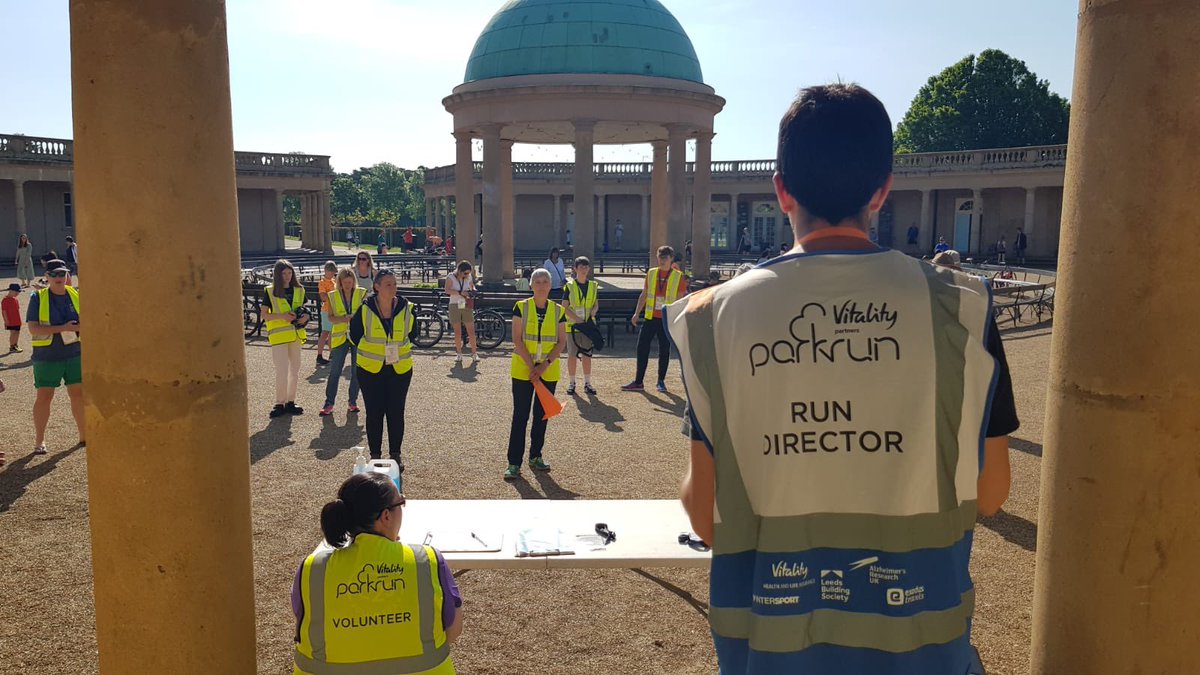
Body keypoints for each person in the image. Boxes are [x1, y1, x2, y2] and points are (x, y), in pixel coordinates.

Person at [670, 83, 1016, 675]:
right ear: (883, 190)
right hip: (921, 647)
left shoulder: (710, 318)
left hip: (771, 646)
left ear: (781, 191)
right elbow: (990, 492)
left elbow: (704, 515)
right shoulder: (963, 308)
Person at [293, 472, 462, 674]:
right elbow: (453, 629)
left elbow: (306, 621)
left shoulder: (313, 568)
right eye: (402, 502)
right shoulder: (427, 560)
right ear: (386, 516)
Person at [504, 269, 567, 480]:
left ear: (550, 285)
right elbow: (517, 338)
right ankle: (514, 462)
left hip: (547, 371)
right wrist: (533, 366)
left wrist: (544, 366)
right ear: (531, 285)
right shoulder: (521, 307)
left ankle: (536, 455)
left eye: (545, 281)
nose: (541, 285)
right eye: (537, 282)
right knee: (520, 416)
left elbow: (562, 341)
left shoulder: (559, 311)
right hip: (524, 369)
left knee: (542, 415)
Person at [349, 269, 415, 463]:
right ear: (376, 287)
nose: (393, 288)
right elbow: (354, 336)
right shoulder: (365, 308)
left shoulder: (406, 307)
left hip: (400, 368)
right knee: (374, 413)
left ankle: (396, 454)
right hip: (370, 369)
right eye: (388, 284)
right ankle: (375, 455)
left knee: (396, 412)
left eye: (394, 284)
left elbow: (414, 333)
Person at [27, 259, 85, 455]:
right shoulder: (37, 297)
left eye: (62, 274)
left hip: (74, 354)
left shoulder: (76, 294)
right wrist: (64, 328)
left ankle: (84, 436)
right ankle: (39, 440)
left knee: (78, 395)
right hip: (47, 356)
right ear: (47, 277)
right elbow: (33, 328)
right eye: (54, 274)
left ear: (67, 275)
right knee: (44, 397)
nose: (59, 278)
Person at [622, 246, 686, 393]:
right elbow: (644, 294)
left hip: (666, 319)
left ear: (671, 259)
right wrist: (636, 313)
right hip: (650, 317)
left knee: (664, 350)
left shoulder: (678, 276)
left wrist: (676, 319)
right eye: (660, 257)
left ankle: (661, 381)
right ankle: (638, 381)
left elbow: (680, 300)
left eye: (666, 258)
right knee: (641, 348)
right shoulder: (651, 273)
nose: (663, 260)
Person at [262, 260, 308, 418]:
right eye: (284, 273)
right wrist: (282, 316)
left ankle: (290, 401)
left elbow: (305, 310)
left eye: (289, 273)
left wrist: (306, 317)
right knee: (281, 371)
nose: (287, 276)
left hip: (295, 334)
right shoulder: (270, 291)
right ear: (278, 274)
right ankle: (279, 402)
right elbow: (264, 315)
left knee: (294, 370)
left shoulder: (300, 290)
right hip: (279, 335)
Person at [320, 268, 365, 417]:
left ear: (354, 282)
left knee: (356, 372)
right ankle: (329, 402)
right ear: (340, 282)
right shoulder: (333, 296)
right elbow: (331, 317)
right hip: (340, 337)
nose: (347, 285)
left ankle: (352, 401)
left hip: (356, 336)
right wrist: (343, 319)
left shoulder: (360, 293)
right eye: (345, 283)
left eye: (350, 283)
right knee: (335, 371)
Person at [561, 256, 598, 396]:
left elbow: (595, 303)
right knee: (571, 355)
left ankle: (587, 383)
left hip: (587, 326)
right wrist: (576, 319)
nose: (583, 269)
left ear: (588, 269)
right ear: (575, 269)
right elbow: (564, 306)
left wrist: (594, 311)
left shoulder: (593, 286)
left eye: (586, 266)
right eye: (581, 266)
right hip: (573, 326)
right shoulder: (569, 286)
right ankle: (572, 383)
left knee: (587, 354)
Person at [445, 261, 479, 365]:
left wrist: (473, 290)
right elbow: (447, 290)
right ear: (459, 271)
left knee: (471, 331)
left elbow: (472, 286)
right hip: (455, 304)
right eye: (465, 273)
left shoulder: (468, 277)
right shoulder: (451, 276)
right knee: (457, 331)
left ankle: (474, 353)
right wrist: (460, 293)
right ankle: (459, 353)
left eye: (468, 273)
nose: (467, 275)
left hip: (465, 303)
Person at [315, 261, 337, 366]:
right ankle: (319, 354)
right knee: (325, 333)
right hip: (327, 310)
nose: (332, 273)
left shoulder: (334, 281)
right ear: (326, 271)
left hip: (334, 310)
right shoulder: (322, 282)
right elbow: (323, 297)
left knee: (332, 333)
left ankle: (332, 353)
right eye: (330, 271)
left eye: (333, 272)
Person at [4, 283, 22, 353]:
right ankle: (12, 346)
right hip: (11, 321)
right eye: (16, 292)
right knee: (13, 333)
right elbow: (4, 311)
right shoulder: (5, 300)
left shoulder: (15, 299)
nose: (18, 293)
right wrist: (6, 321)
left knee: (17, 332)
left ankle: (15, 345)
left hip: (17, 320)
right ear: (11, 290)